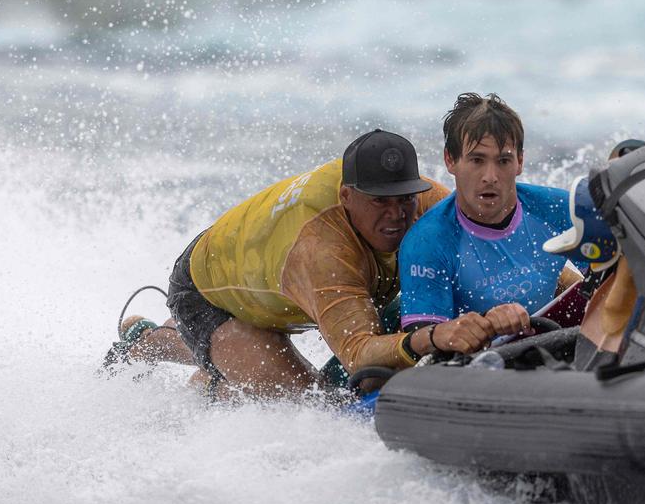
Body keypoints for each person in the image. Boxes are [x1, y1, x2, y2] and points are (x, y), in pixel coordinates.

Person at [109, 129, 493, 399]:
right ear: (347, 196)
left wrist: (554, 285)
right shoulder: (322, 252)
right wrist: (432, 338)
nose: (396, 215)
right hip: (209, 293)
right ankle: (153, 346)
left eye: (403, 200)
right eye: (380, 202)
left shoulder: (423, 200)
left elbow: (492, 248)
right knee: (307, 404)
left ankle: (223, 363)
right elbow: (358, 353)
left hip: (273, 271)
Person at [397, 93, 617, 350]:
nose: (490, 177)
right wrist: (485, 325)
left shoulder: (560, 209)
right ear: (450, 160)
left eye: (503, 161)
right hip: (477, 368)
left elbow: (613, 281)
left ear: (520, 161)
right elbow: (425, 351)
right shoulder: (427, 241)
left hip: (557, 347)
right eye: (477, 160)